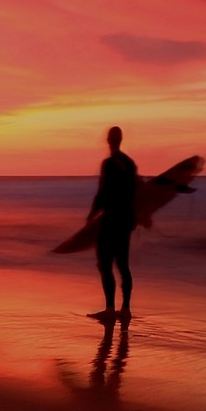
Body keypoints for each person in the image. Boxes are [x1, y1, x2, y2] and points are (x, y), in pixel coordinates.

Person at [87, 126, 137, 320]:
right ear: (120, 140)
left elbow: (102, 192)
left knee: (104, 263)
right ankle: (125, 309)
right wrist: (139, 216)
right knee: (123, 264)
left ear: (109, 140)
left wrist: (92, 215)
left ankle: (109, 309)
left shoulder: (108, 164)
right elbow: (135, 193)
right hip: (126, 219)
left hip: (111, 219)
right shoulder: (130, 164)